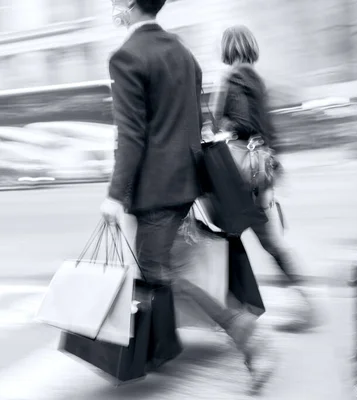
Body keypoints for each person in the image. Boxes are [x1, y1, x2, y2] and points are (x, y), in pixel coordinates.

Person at [101, 0, 276, 392]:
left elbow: (131, 136)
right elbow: (197, 123)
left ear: (130, 6)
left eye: (115, 2)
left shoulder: (125, 58)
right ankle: (157, 350)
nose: (112, 8)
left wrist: (115, 195)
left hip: (154, 189)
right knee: (164, 266)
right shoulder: (183, 53)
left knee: (156, 270)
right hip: (186, 185)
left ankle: (240, 329)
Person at [208, 25, 318, 331]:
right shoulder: (257, 81)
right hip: (257, 172)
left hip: (237, 175)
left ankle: (239, 313)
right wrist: (269, 178)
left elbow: (241, 122)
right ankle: (299, 303)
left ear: (228, 48)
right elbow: (269, 131)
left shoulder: (233, 78)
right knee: (257, 240)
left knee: (230, 237)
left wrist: (224, 125)